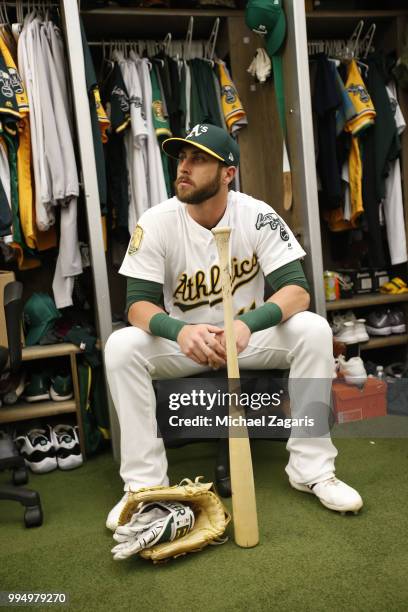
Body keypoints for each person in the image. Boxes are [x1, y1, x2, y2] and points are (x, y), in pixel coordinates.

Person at [105, 123, 363, 531]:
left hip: (246, 338)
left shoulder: (257, 215)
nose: (183, 167)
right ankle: (147, 488)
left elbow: (297, 292)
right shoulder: (156, 221)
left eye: (198, 159)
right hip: (186, 343)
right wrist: (179, 332)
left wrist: (247, 325)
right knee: (121, 346)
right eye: (182, 158)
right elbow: (136, 305)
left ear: (228, 173)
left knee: (313, 329)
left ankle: (312, 470)